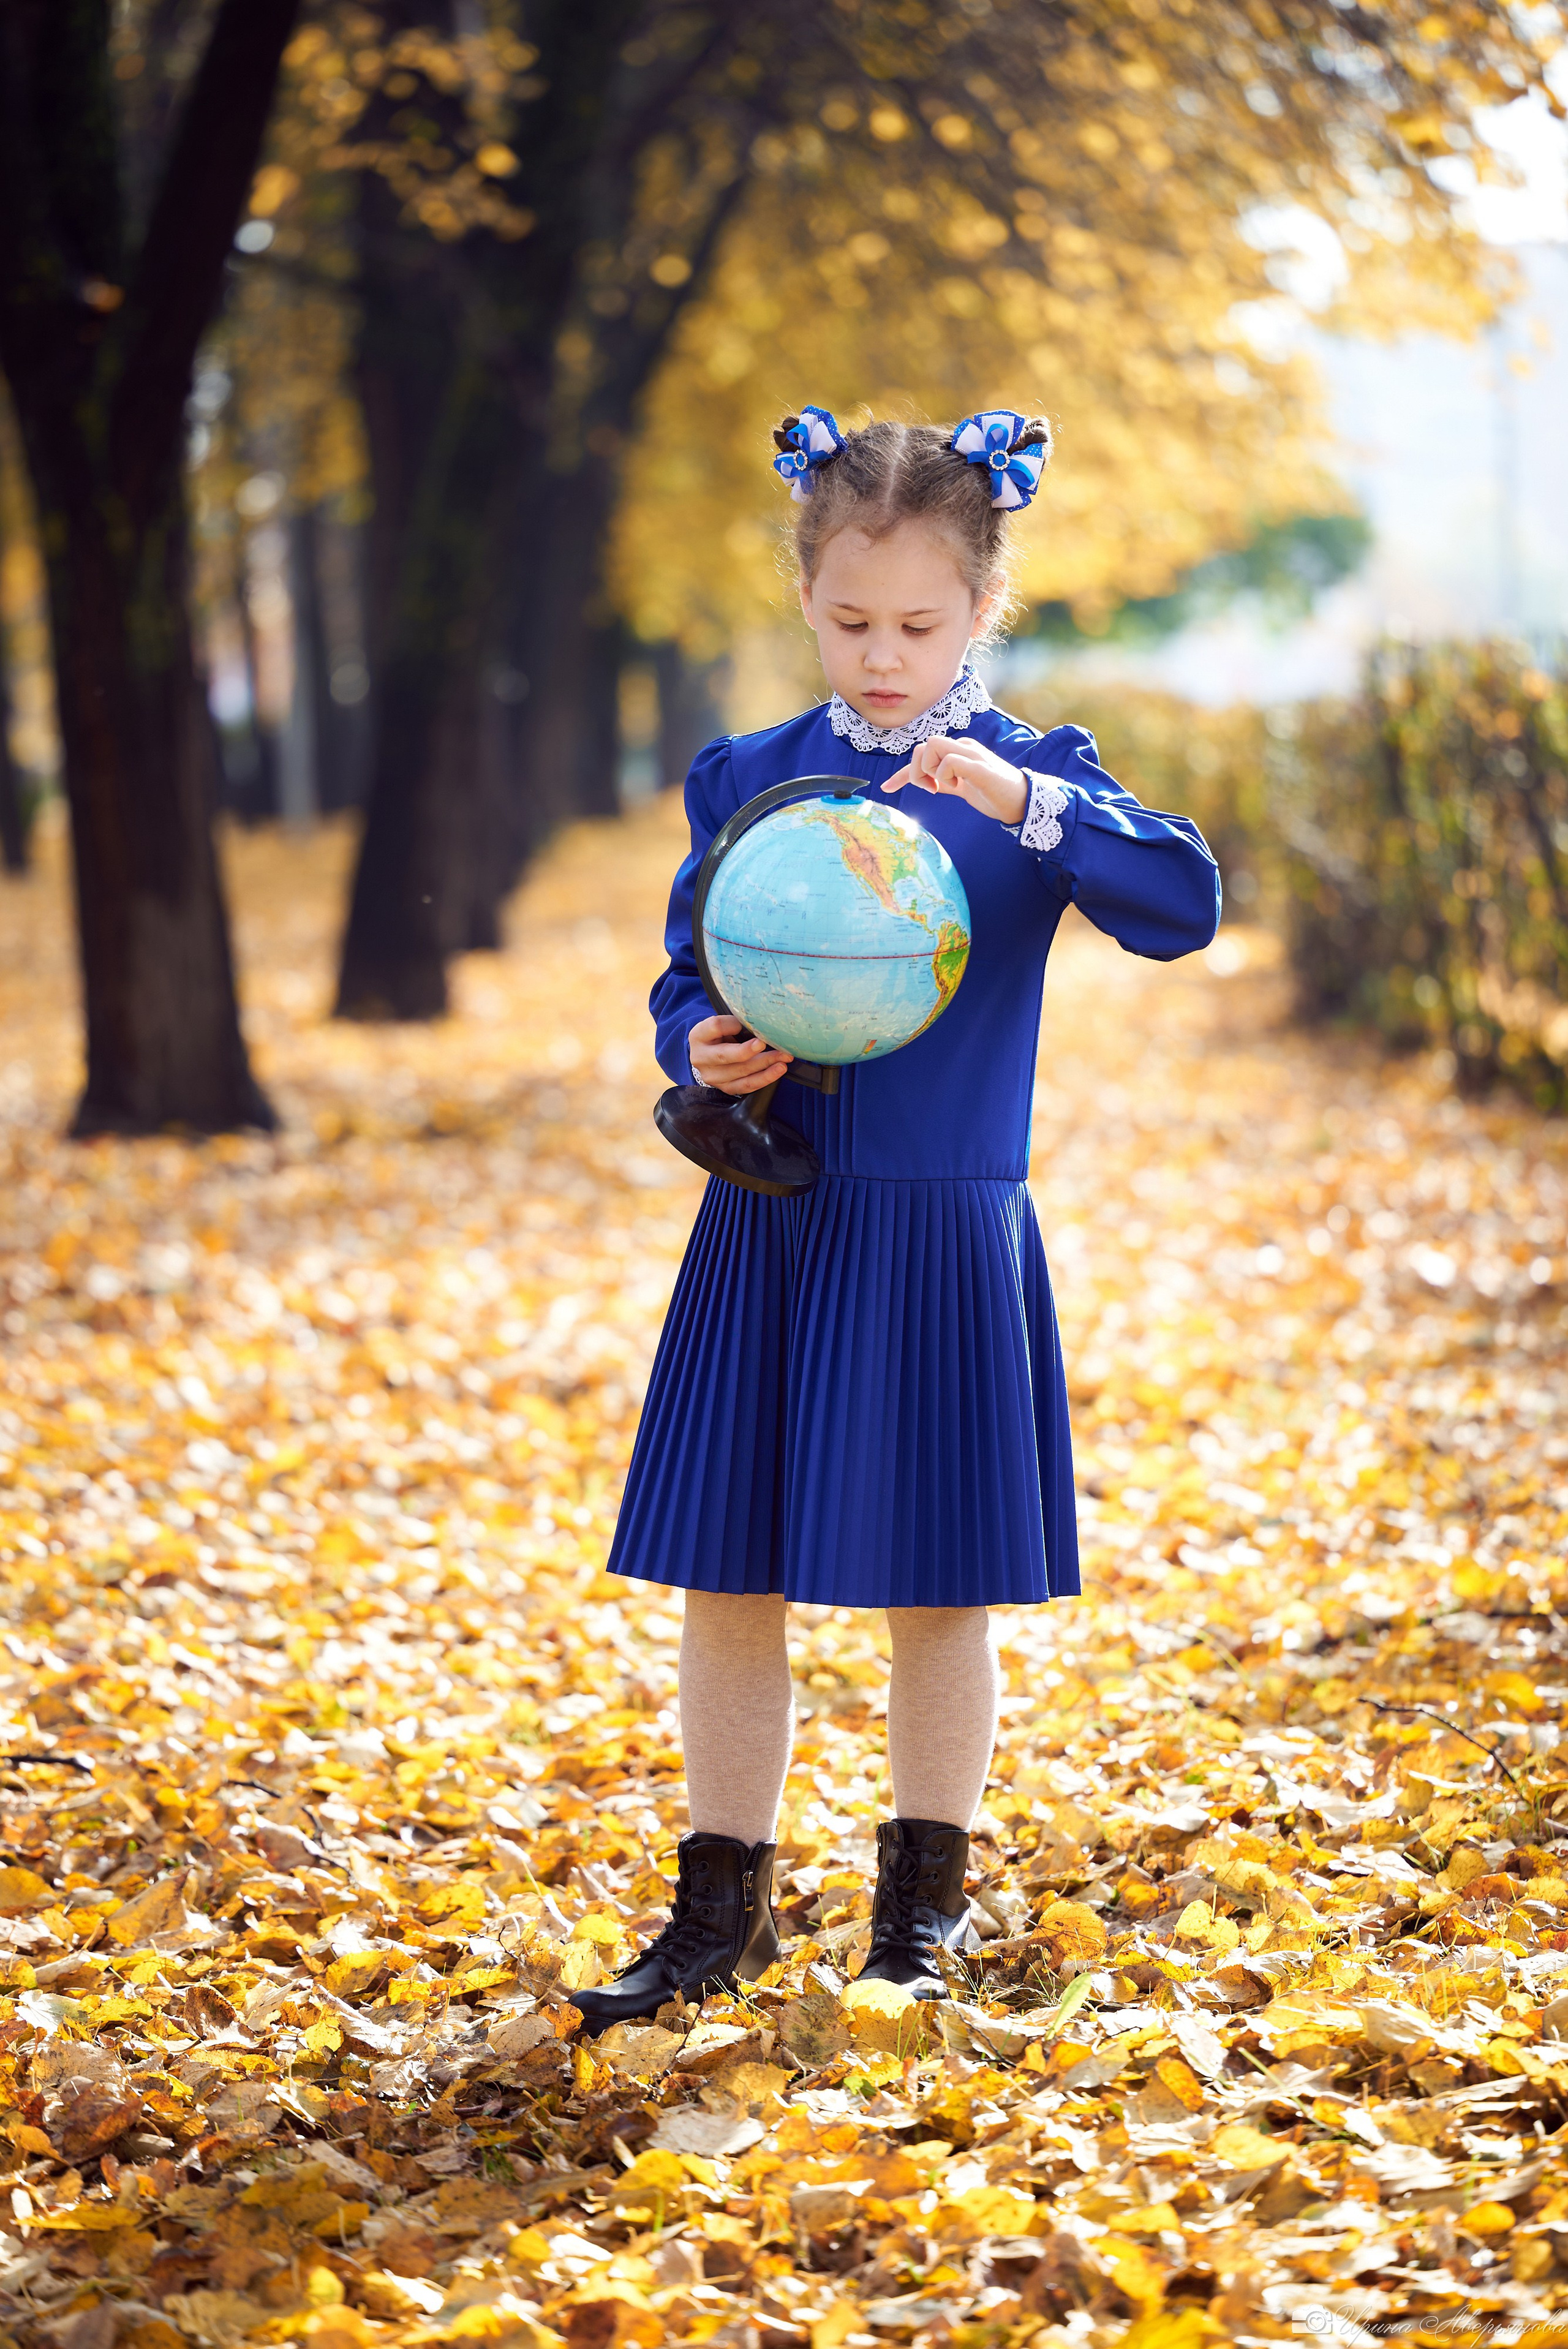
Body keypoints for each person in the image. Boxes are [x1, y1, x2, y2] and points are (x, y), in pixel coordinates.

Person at [573, 405, 1220, 2032]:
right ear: (806, 597)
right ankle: (715, 1913)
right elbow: (684, 972)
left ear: (983, 611)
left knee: (942, 1586)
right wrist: (700, 1044)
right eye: (852, 622)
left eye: (921, 627)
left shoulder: (1033, 782)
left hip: (942, 1229)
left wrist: (1023, 802)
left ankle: (918, 1918)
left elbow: (1183, 907)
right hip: (773, 1218)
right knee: (731, 1575)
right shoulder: (753, 776)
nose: (884, 657)